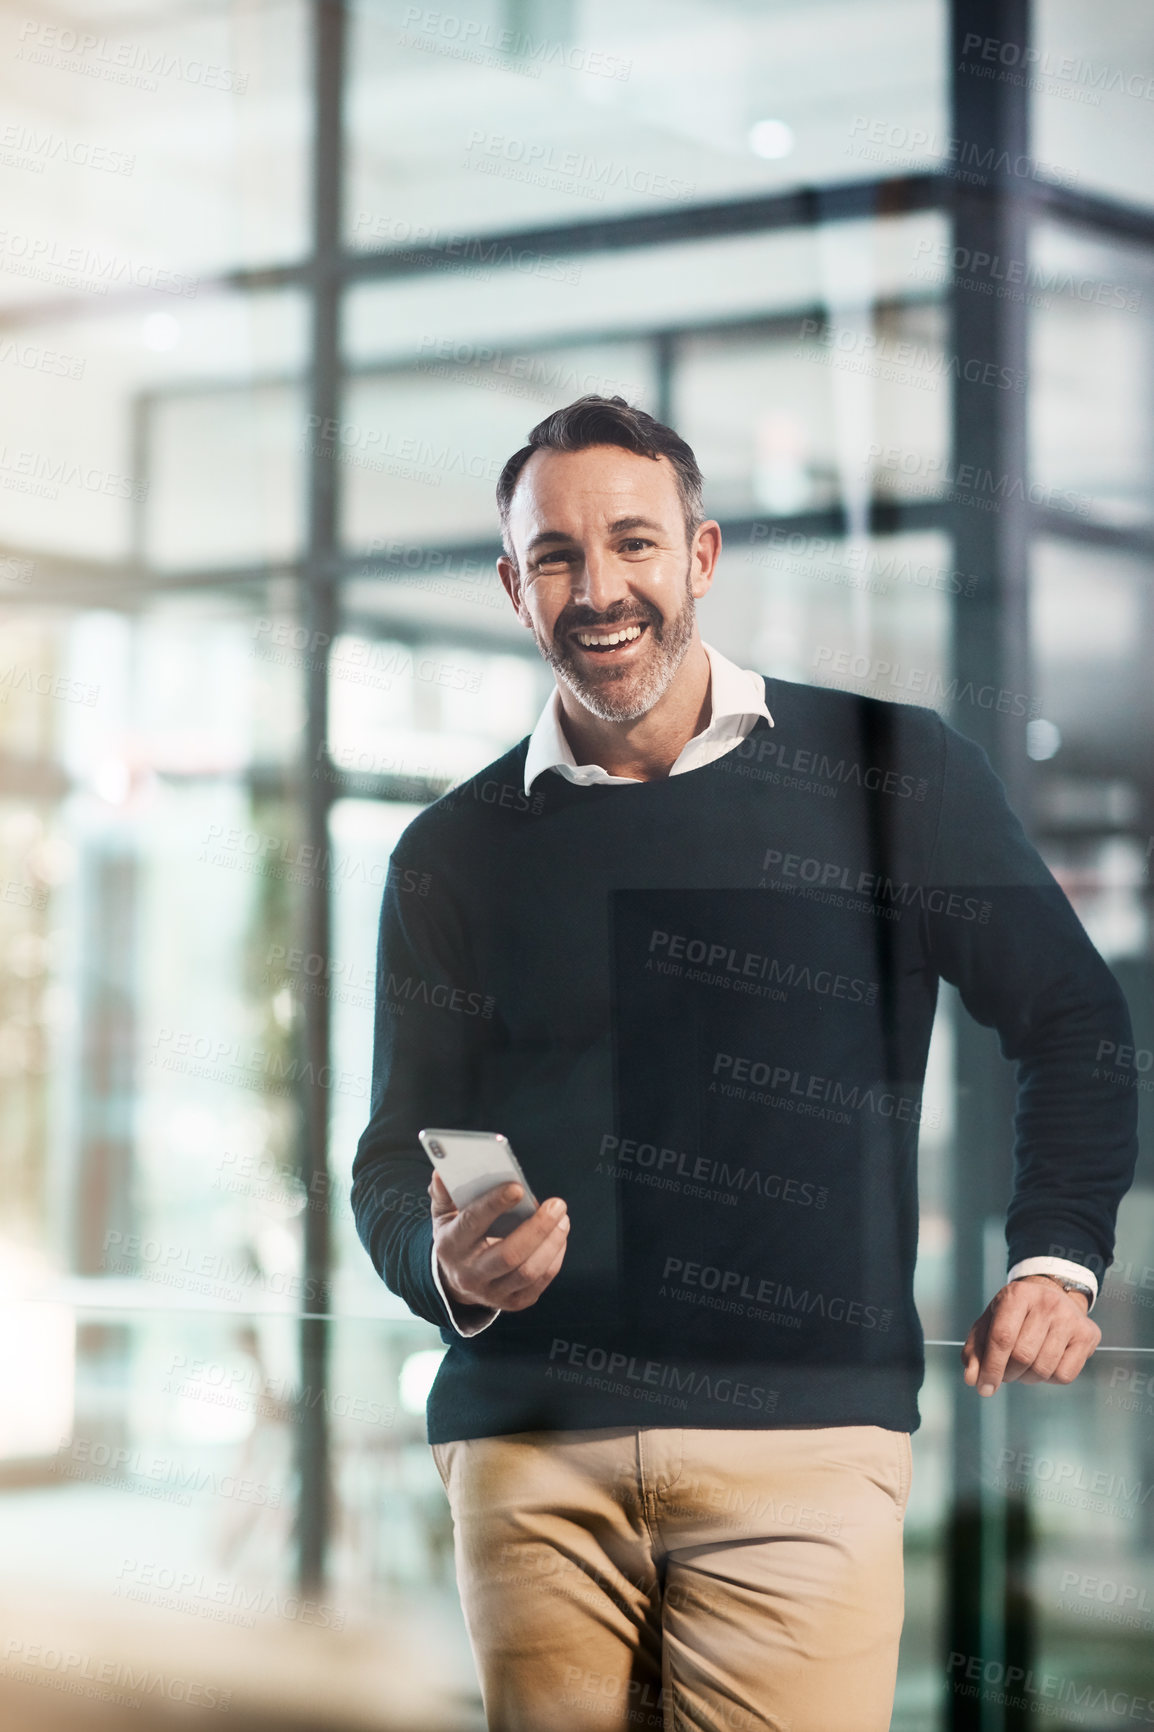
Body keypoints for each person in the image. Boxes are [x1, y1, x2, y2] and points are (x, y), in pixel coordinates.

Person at [351, 395, 1137, 1732]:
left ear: (700, 557)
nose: (598, 590)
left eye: (633, 545)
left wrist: (1054, 1254)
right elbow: (395, 1156)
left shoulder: (891, 775)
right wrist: (446, 1267)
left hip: (799, 1452)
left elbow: (1072, 1018)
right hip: (527, 1444)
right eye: (554, 556)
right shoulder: (450, 853)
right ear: (509, 584)